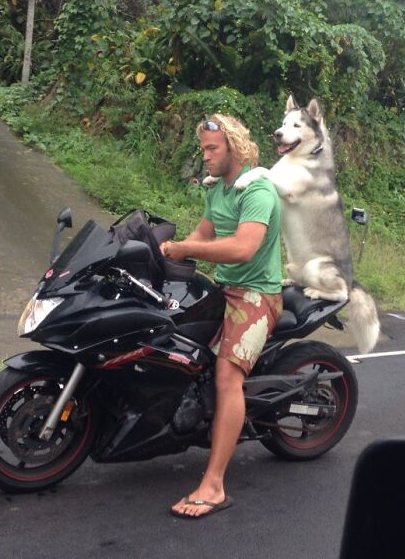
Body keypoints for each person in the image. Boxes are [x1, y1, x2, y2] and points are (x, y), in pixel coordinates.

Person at [160, 114, 282, 519]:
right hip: (224, 288)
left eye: (212, 148)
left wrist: (187, 250)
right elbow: (202, 237)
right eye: (203, 149)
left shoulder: (258, 191)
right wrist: (163, 252)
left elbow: (243, 248)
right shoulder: (219, 191)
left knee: (228, 377)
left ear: (233, 147)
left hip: (256, 295)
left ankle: (213, 485)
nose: (205, 156)